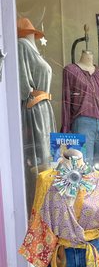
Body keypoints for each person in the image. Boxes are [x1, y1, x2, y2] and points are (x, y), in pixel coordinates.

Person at [17, 17, 57, 212]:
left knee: (47, 158)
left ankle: (47, 207)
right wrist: (30, 103)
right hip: (34, 109)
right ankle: (37, 208)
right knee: (39, 158)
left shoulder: (34, 49)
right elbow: (24, 85)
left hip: (43, 108)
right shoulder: (22, 45)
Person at [61, 50, 99, 174]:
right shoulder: (71, 71)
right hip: (83, 122)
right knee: (83, 168)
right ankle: (85, 194)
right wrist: (66, 129)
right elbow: (66, 100)